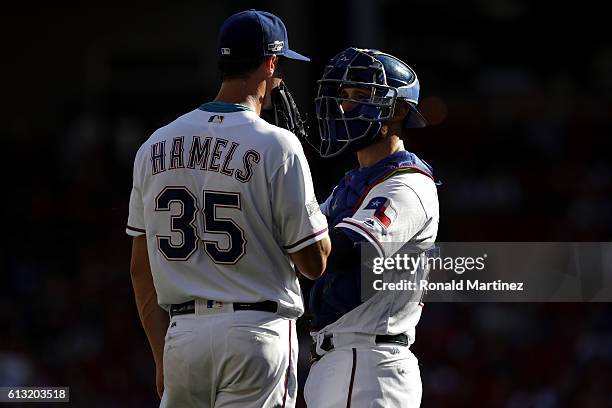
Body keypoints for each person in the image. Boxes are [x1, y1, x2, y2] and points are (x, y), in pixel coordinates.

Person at [126, 9, 331, 408]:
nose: (281, 78)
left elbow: (139, 268)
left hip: (183, 336)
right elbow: (313, 263)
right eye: (281, 66)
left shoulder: (154, 144)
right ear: (270, 63)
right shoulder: (277, 144)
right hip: (256, 332)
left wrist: (160, 355)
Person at [303, 47, 439, 407]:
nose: (347, 107)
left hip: (368, 361)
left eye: (362, 96)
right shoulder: (354, 183)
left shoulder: (407, 182)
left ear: (398, 111)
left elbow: (346, 251)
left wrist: (286, 179)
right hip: (344, 361)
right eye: (345, 96)